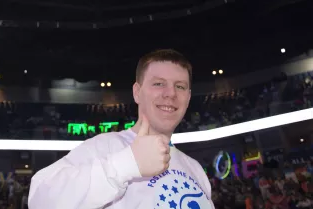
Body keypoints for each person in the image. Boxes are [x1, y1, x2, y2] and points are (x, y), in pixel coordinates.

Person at [28, 49, 214, 208]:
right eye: (159, 84)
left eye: (180, 86)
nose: (170, 93)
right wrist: (127, 164)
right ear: (137, 92)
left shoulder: (195, 169)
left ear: (188, 98)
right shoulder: (105, 147)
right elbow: (40, 199)